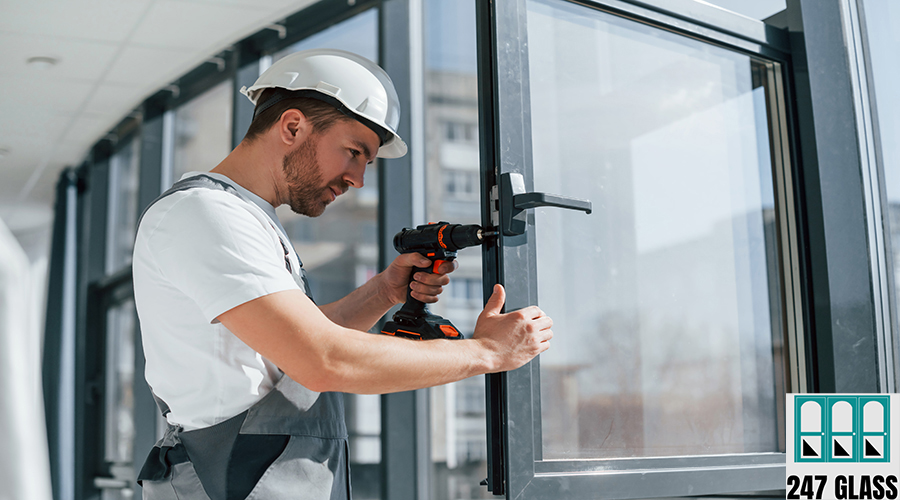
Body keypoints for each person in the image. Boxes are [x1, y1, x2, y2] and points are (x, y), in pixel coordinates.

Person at [132, 49, 552, 500]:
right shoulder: (206, 214)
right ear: (292, 127)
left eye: (366, 163)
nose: (357, 179)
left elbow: (288, 352)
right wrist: (489, 352)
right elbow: (320, 360)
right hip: (232, 481)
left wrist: (384, 291)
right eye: (354, 152)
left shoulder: (246, 218)